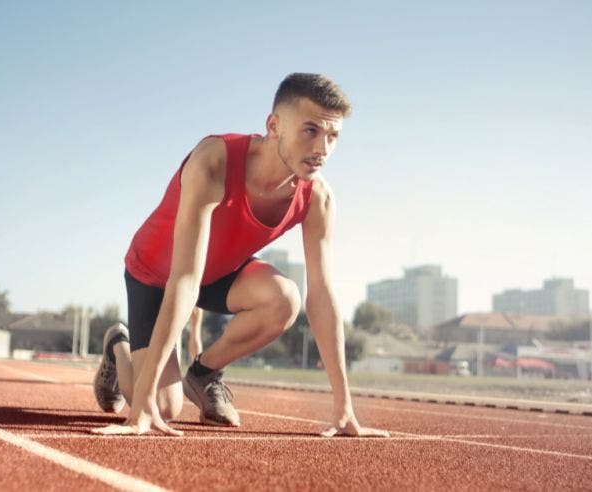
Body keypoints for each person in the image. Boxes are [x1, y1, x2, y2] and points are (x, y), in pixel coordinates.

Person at [93, 73, 388, 438]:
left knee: (284, 299)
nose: (323, 149)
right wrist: (143, 403)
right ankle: (117, 348)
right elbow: (184, 277)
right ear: (274, 125)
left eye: (333, 136)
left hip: (218, 274)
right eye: (311, 131)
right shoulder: (214, 161)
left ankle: (203, 374)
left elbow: (323, 295)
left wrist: (344, 407)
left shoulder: (317, 198)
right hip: (156, 274)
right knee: (163, 407)